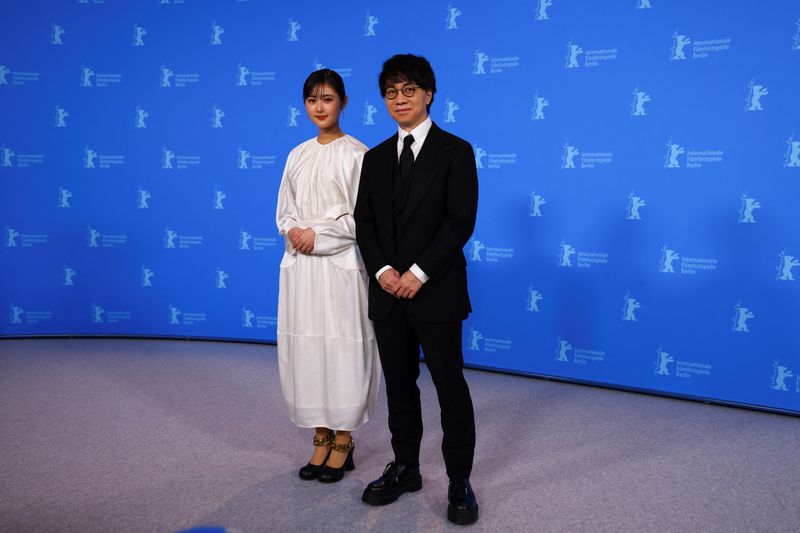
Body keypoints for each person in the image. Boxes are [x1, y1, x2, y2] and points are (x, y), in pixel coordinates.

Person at [354, 54, 479, 525]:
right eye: (391, 92)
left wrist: (419, 272)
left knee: (450, 387)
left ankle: (459, 480)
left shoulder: (456, 151)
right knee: (400, 387)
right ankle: (406, 467)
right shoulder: (375, 157)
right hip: (387, 293)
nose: (399, 99)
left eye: (409, 90)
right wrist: (384, 271)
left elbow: (459, 221)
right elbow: (364, 223)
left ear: (429, 94)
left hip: (437, 291)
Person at [275, 68, 380, 484]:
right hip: (301, 269)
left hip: (338, 268)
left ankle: (344, 438)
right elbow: (285, 211)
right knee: (307, 348)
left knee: (342, 348)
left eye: (328, 99)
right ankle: (319, 434)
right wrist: (294, 232)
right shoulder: (296, 154)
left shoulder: (359, 154)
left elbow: (361, 219)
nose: (319, 107)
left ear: (344, 103)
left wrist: (316, 234)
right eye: (312, 100)